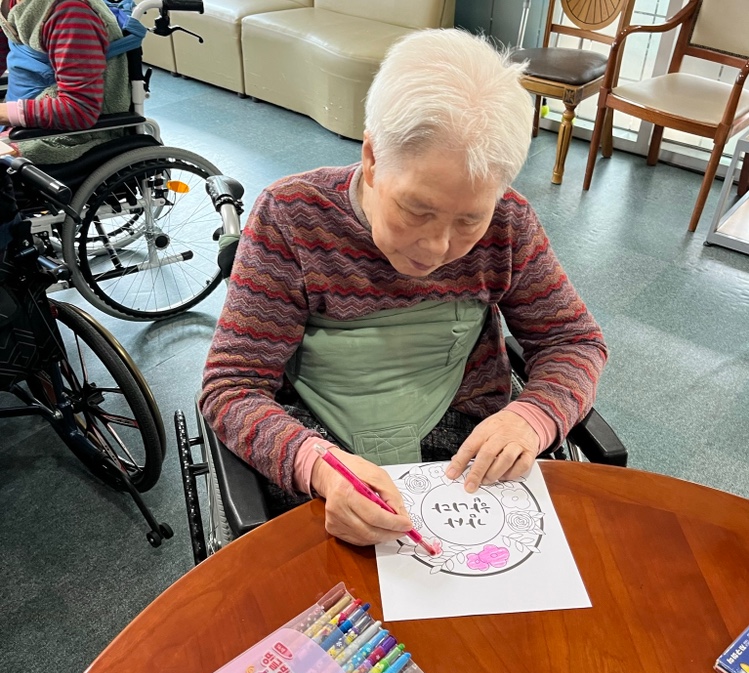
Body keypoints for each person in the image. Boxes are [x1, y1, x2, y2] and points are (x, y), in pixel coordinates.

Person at [200, 28, 608, 547]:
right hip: (321, 447)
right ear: (372, 159)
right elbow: (232, 387)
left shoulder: (509, 222)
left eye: (469, 220)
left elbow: (574, 341)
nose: (437, 248)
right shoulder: (290, 219)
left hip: (463, 445)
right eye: (416, 210)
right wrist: (319, 467)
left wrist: (533, 416)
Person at [0, 0, 132, 164]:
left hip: (66, 133)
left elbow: (79, 110)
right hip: (22, 113)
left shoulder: (72, 15)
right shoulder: (12, 4)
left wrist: (4, 113)